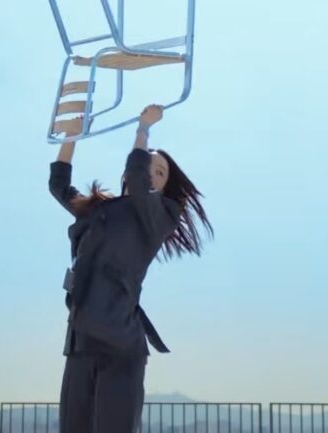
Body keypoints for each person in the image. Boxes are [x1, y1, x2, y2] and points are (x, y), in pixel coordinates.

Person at [48, 104, 213, 433]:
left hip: (120, 345)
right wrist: (71, 137)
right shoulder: (98, 209)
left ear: (163, 187)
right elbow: (59, 185)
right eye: (148, 166)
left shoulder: (161, 216)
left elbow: (139, 181)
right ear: (124, 175)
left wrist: (143, 129)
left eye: (160, 172)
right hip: (80, 342)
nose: (151, 173)